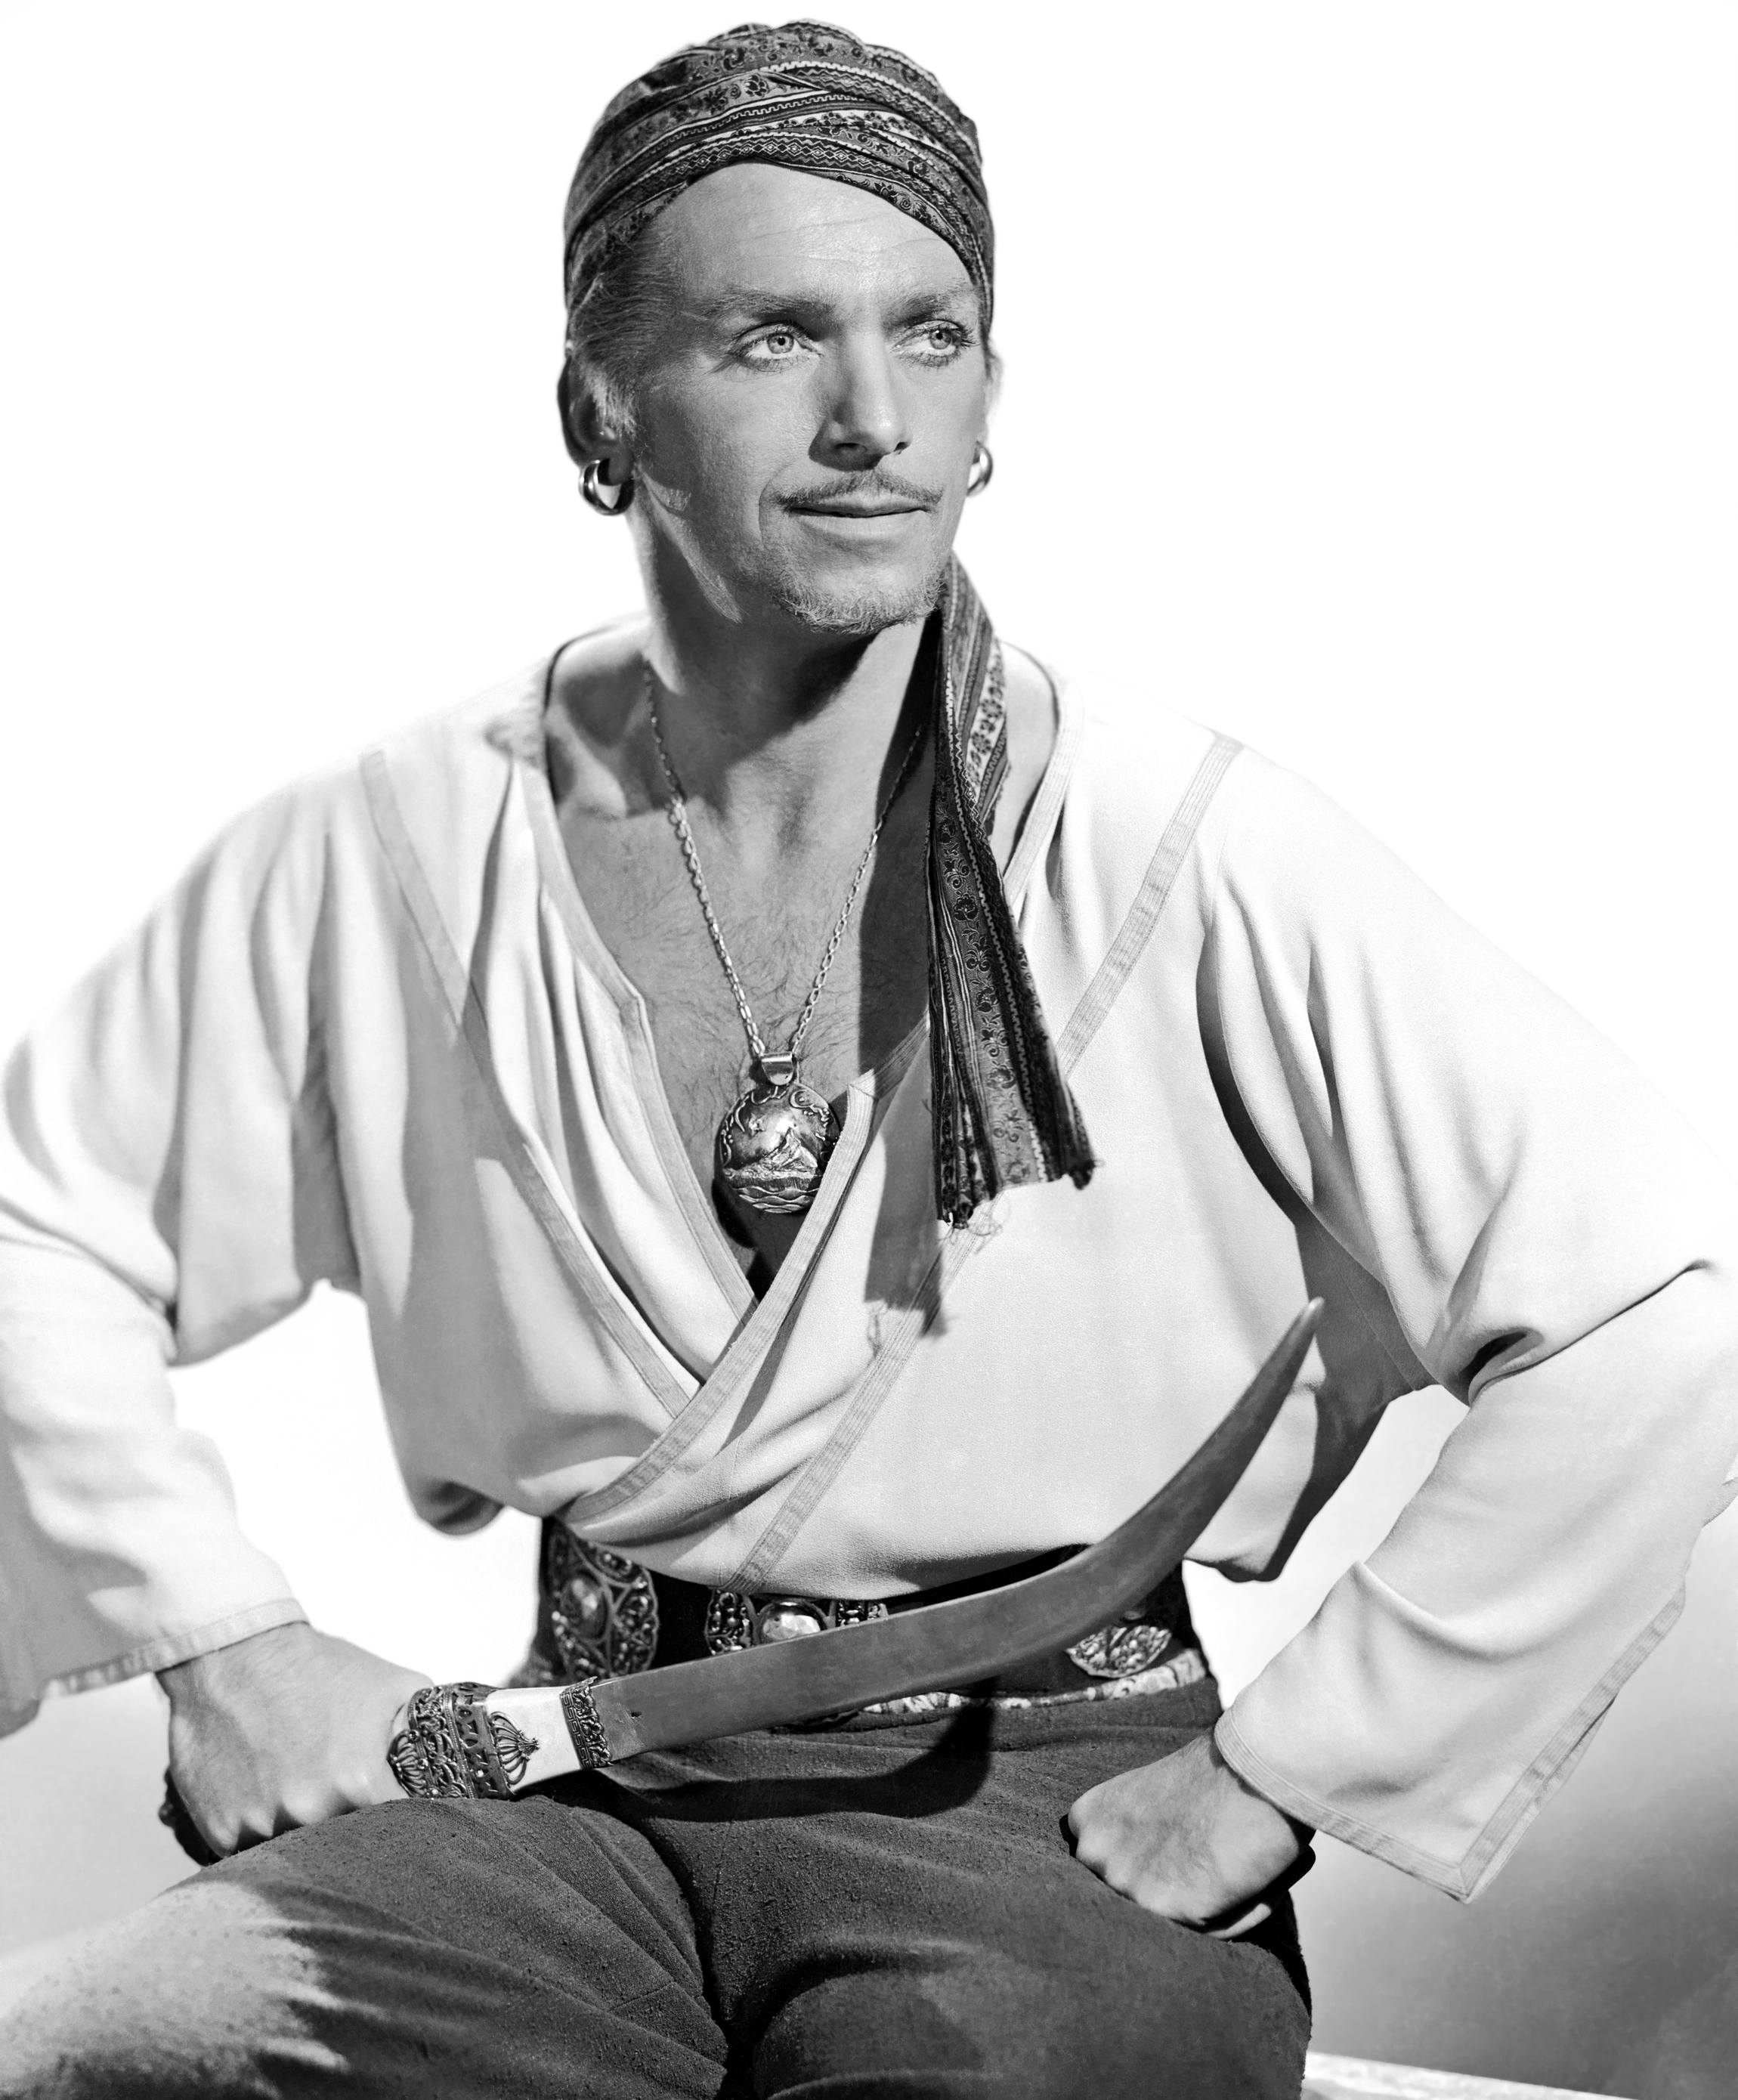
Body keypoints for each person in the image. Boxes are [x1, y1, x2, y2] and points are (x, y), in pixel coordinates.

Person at [2, 19, 1735, 2098]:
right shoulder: (404, 846)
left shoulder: (1175, 846)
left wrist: (1285, 1774)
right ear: (597, 412)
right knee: (77, 2050)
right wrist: (222, 1639)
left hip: (1034, 1812)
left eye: (932, 335)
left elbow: (1653, 1297)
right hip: (561, 1794)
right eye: (772, 339)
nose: (870, 419)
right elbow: (37, 1224)